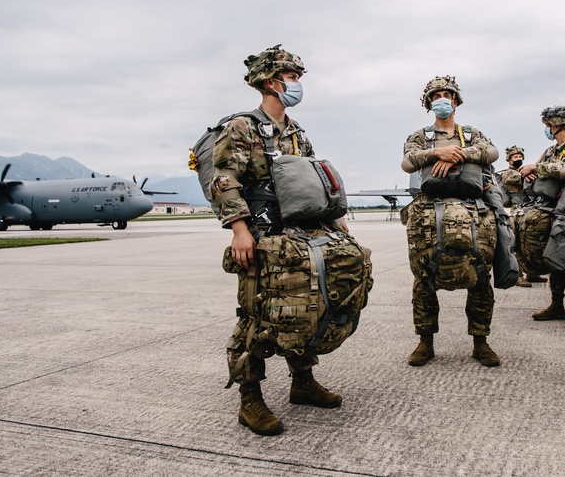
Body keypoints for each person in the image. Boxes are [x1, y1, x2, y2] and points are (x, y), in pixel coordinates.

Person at [210, 45, 370, 436]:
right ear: (271, 81)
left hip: (302, 230)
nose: (298, 85)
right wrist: (240, 230)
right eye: (293, 77)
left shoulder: (297, 133)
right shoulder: (242, 127)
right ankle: (250, 399)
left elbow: (313, 181)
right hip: (263, 232)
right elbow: (224, 179)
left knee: (310, 302)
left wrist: (336, 220)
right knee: (257, 313)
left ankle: (302, 382)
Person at [400, 76, 502, 366]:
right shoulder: (420, 136)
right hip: (429, 212)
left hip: (474, 211)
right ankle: (425, 341)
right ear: (429, 103)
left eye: (447, 94)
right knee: (424, 278)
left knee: (480, 276)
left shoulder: (471, 134)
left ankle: (481, 341)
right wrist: (435, 152)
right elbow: (408, 161)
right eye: (436, 96)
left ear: (456, 101)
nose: (442, 99)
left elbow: (492, 152)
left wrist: (457, 155)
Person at [515, 106, 565, 329]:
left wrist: (538, 168)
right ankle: (557, 305)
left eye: (548, 125)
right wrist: (530, 170)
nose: (547, 129)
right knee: (555, 257)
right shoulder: (551, 151)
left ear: (555, 124)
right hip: (550, 208)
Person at [498, 145, 542, 288]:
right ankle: (517, 276)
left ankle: (531, 272)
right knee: (516, 244)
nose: (519, 159)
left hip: (529, 208)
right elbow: (523, 179)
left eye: (520, 157)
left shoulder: (523, 171)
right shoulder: (508, 174)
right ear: (509, 160)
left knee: (529, 242)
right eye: (515, 157)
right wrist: (530, 172)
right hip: (516, 212)